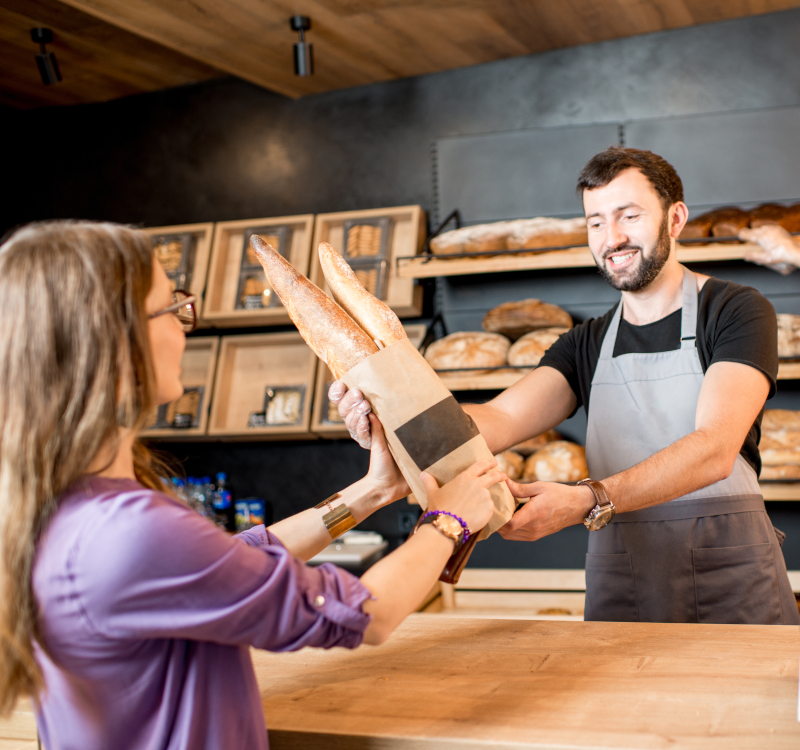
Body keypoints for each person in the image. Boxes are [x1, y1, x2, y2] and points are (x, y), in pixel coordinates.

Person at [0, 221, 505, 750]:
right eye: (171, 307)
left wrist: (373, 490)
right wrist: (448, 521)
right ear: (115, 337)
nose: (184, 325)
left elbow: (222, 563)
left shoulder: (68, 504)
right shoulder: (128, 532)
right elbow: (363, 614)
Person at [334, 147, 799, 626]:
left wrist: (587, 499)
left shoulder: (735, 310)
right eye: (595, 222)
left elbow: (716, 448)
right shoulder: (586, 343)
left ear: (675, 219)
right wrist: (392, 412)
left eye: (629, 216)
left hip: (730, 574)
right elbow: (502, 418)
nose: (612, 238)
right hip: (626, 577)